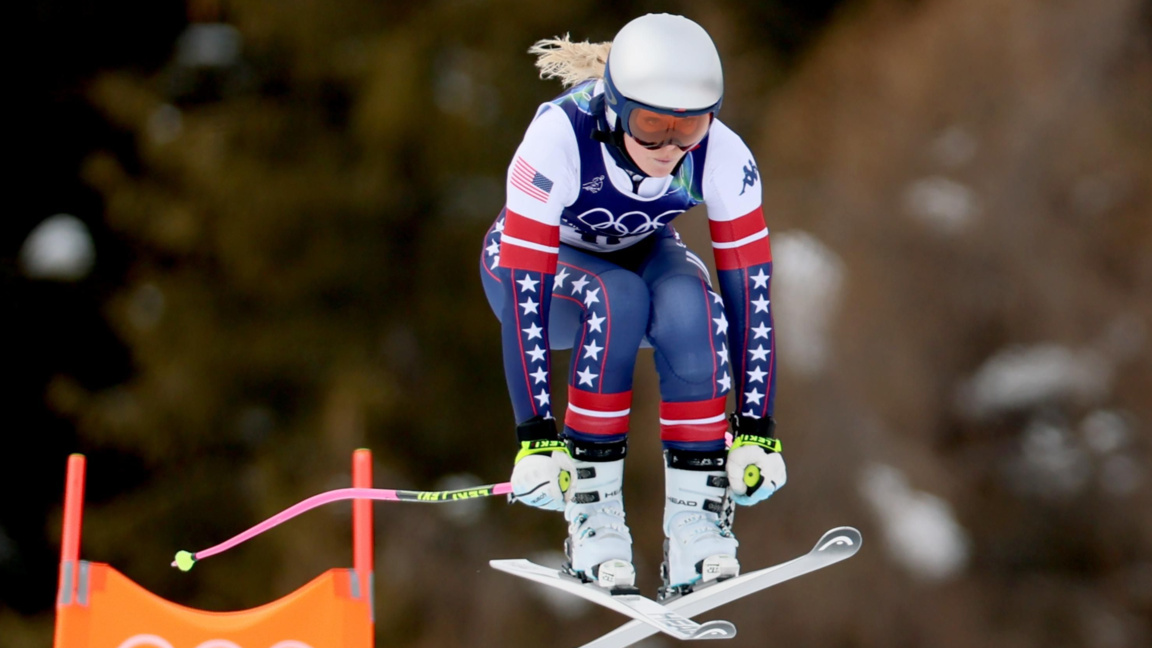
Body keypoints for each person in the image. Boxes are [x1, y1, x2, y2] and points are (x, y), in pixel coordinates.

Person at [480, 13, 786, 598]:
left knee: (690, 301)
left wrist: (757, 431)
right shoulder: (558, 136)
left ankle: (696, 523)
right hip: (537, 277)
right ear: (616, 105)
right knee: (616, 296)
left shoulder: (722, 153)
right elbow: (525, 292)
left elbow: (752, 293)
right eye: (651, 125)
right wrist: (536, 437)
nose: (670, 147)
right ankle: (593, 517)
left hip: (640, 252)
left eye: (689, 127)